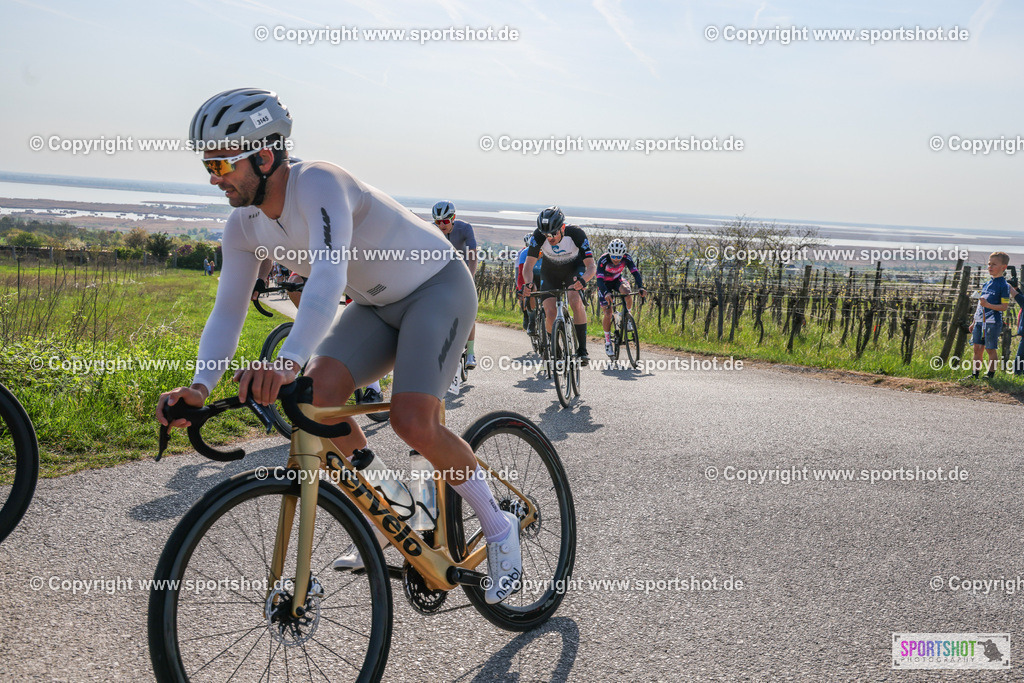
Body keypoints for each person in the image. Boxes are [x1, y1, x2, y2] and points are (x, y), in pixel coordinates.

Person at [156, 88, 521, 604]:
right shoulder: (242, 226)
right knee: (316, 400)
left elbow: (328, 275)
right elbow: (227, 310)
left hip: (436, 286)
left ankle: (499, 527)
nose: (214, 178)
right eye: (207, 165)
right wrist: (199, 387)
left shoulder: (320, 182)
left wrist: (286, 362)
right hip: (375, 307)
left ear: (264, 156)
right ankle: (395, 504)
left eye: (221, 163)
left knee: (413, 420)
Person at [521, 206, 597, 366]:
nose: (549, 238)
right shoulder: (537, 236)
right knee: (550, 311)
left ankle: (582, 350)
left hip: (573, 269)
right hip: (550, 272)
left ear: (562, 227)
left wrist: (583, 280)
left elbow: (591, 266)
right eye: (545, 234)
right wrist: (528, 284)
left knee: (574, 299)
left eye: (553, 233)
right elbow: (528, 267)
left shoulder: (576, 234)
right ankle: (554, 347)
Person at [432, 200, 479, 369]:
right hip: (443, 272)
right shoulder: (432, 230)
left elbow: (473, 256)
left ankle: (471, 353)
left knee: (469, 311)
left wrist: (471, 278)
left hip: (463, 271)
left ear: (453, 218)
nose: (441, 225)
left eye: (445, 221)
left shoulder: (465, 228)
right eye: (437, 222)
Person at [596, 238, 646, 357]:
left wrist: (641, 287)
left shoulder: (626, 258)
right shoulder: (603, 260)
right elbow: (599, 281)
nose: (616, 259)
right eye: (614, 256)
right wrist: (606, 293)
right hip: (604, 284)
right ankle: (608, 341)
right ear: (609, 253)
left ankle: (627, 316)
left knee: (627, 292)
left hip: (617, 280)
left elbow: (635, 273)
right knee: (608, 313)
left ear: (623, 254)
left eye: (619, 257)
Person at [967, 251, 1010, 380]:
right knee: (977, 348)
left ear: (1003, 267)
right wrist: (974, 321)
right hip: (980, 321)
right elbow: (981, 304)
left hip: (993, 322)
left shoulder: (1004, 286)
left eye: (994, 264)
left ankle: (990, 375)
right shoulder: (986, 284)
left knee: (990, 349)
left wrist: (988, 305)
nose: (990, 267)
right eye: (989, 264)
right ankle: (975, 374)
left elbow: (1004, 307)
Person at [515, 233, 543, 332]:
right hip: (531, 276)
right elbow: (520, 274)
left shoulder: (548, 252)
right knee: (531, 290)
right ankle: (531, 319)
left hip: (544, 275)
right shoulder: (524, 253)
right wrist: (521, 288)